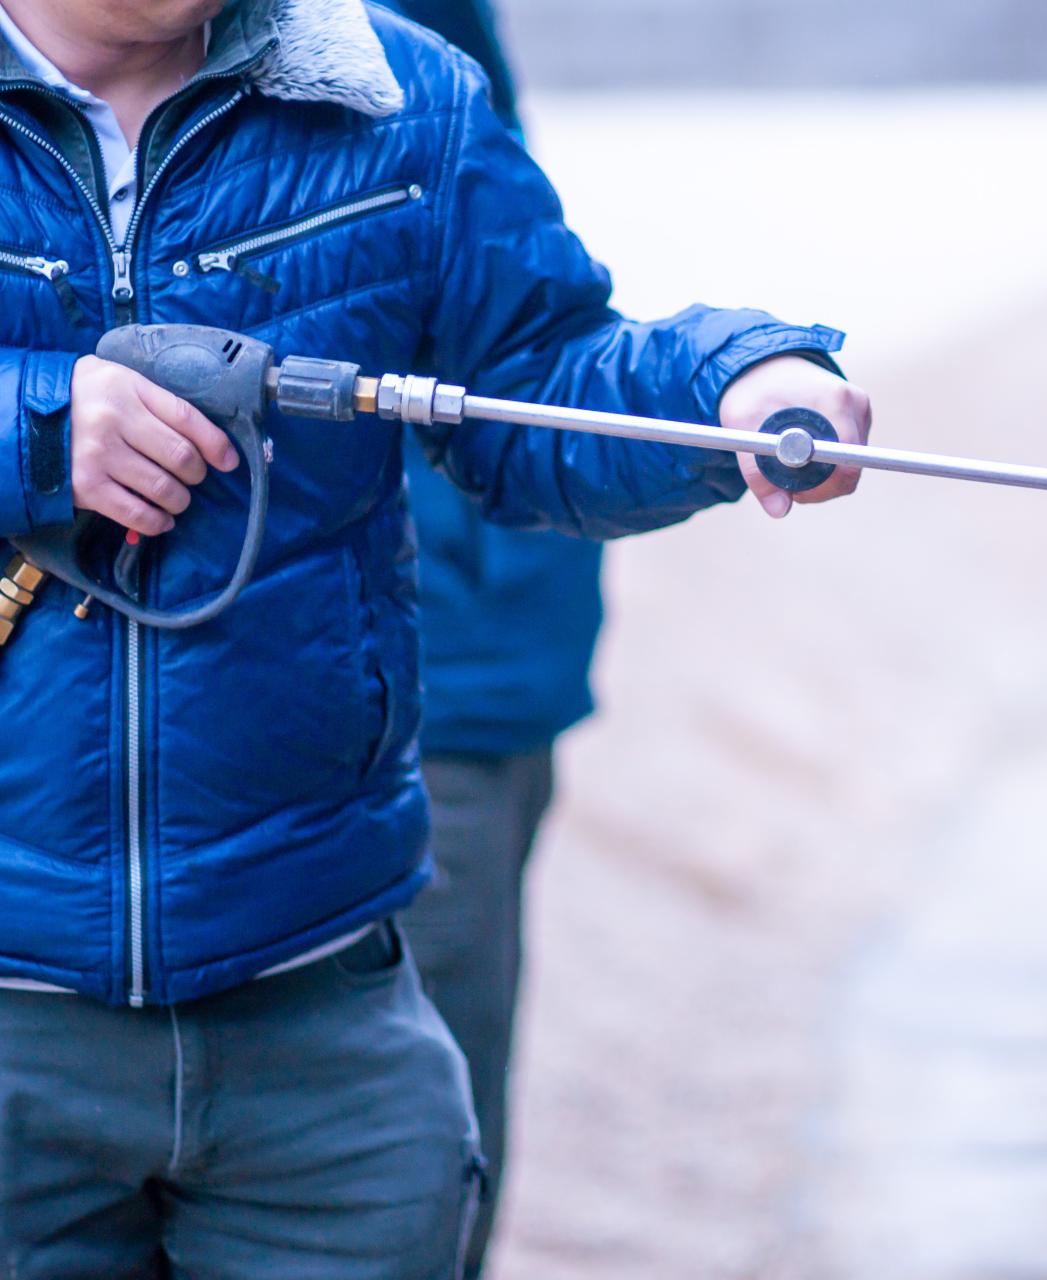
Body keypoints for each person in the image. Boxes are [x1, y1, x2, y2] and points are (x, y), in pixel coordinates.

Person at [0, 0, 870, 1272]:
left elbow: (541, 369)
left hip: (320, 1017)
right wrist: (32, 427)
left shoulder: (400, 95)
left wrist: (731, 387)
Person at [378, 0, 609, 1272]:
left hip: (446, 687)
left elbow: (543, 352)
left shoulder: (404, 79)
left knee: (425, 1144)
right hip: (463, 655)